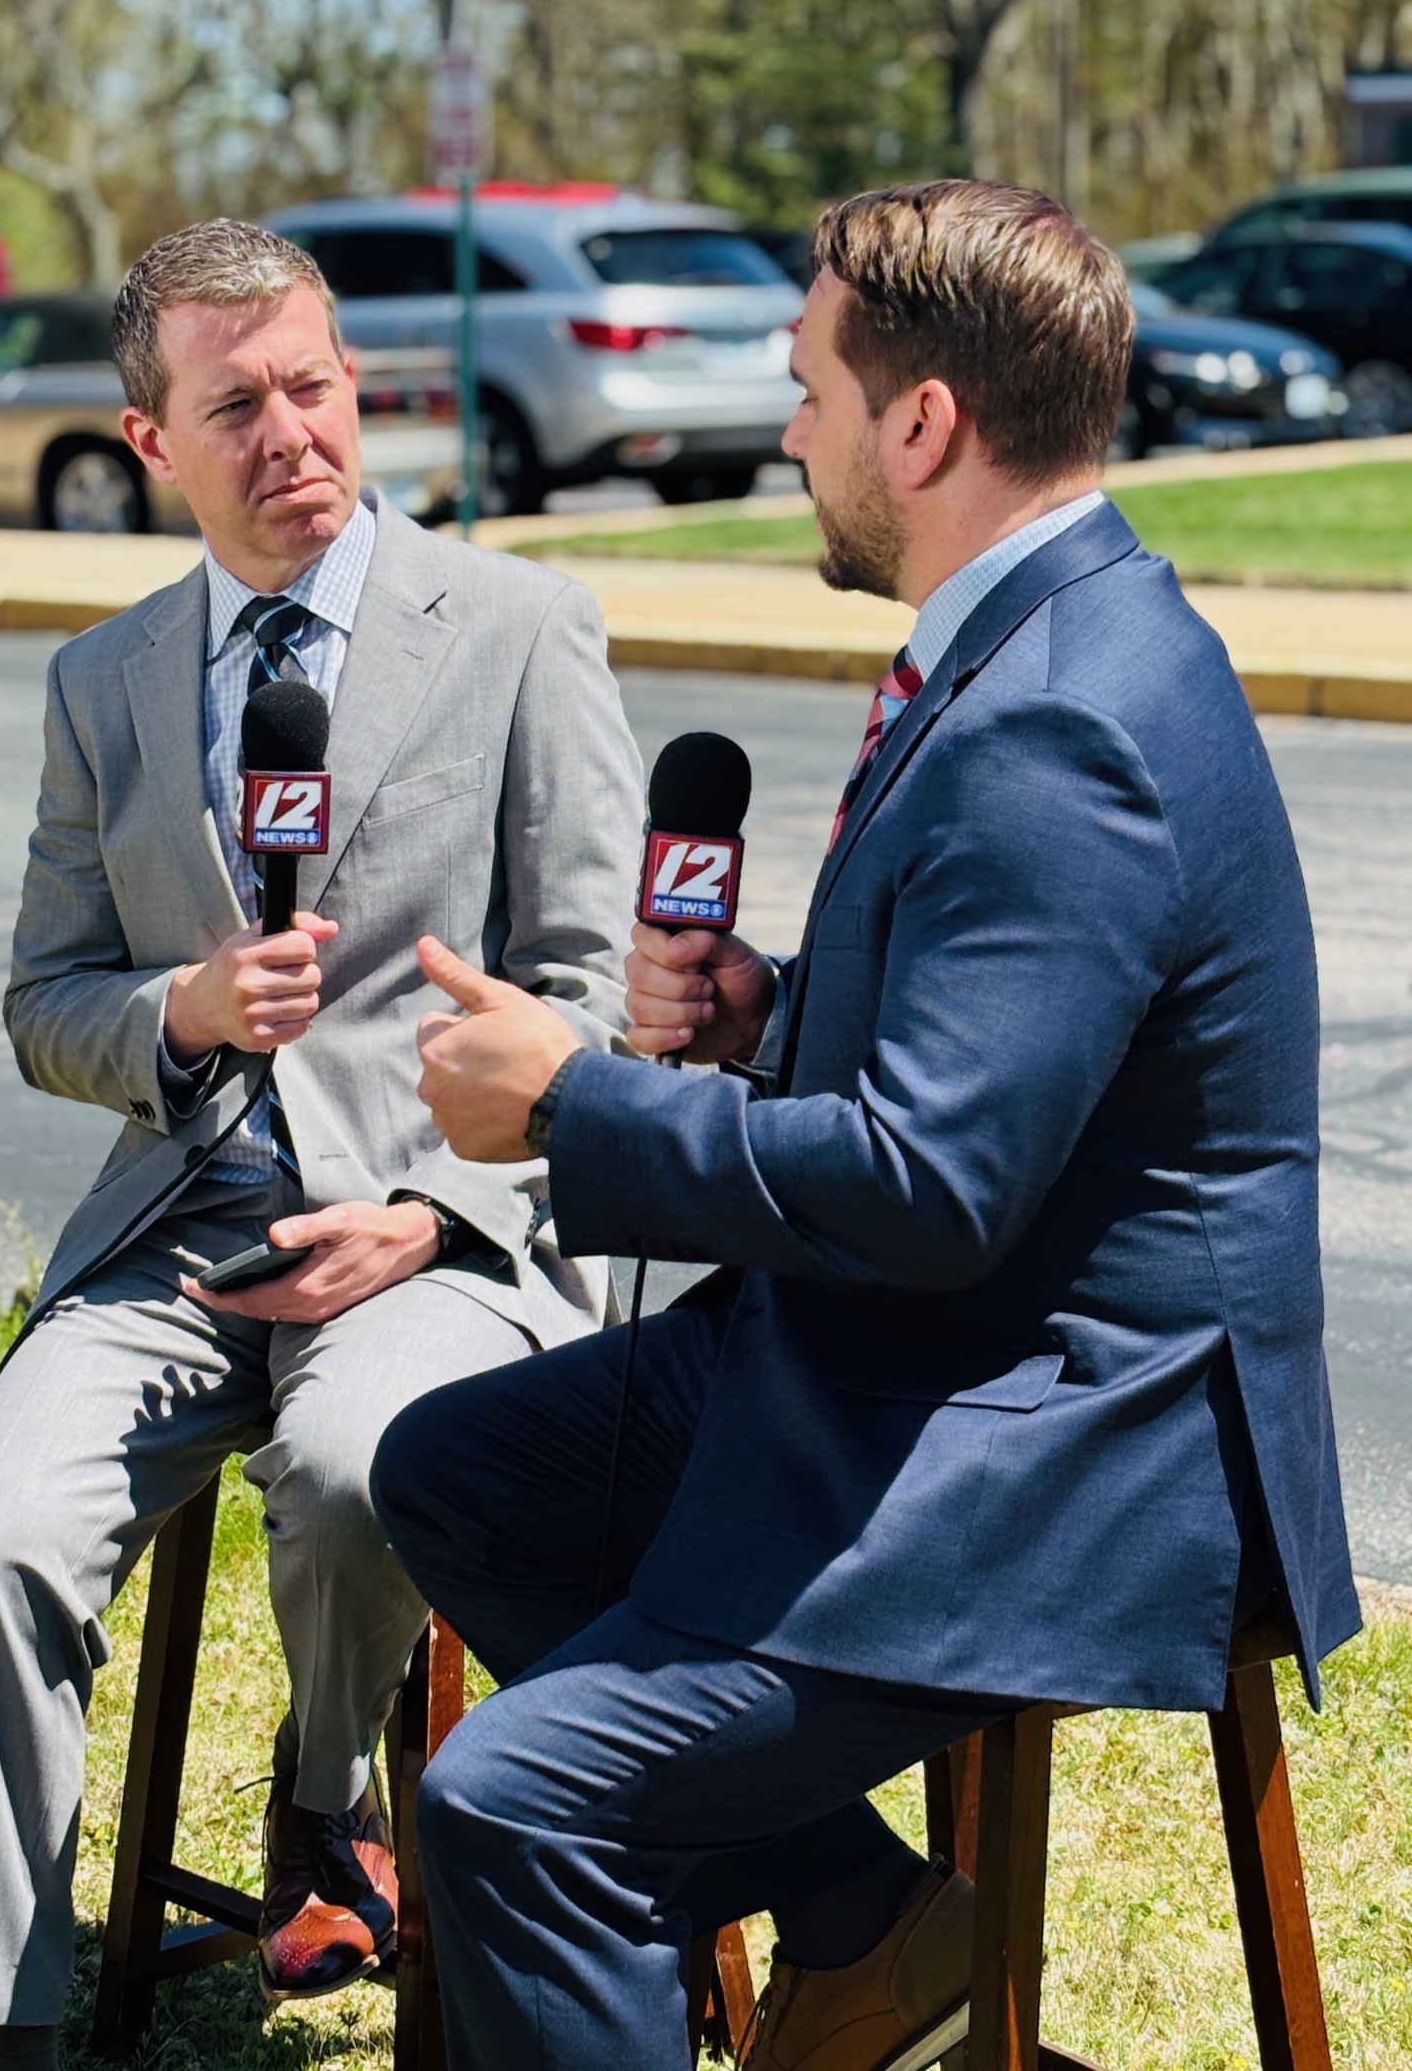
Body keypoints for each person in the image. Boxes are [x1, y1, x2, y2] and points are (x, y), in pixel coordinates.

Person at [369, 179, 1361, 2071]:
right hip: (929, 1353)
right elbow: (1001, 1054)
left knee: (513, 1799)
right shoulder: (1048, 632)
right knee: (458, 1474)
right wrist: (769, 1022)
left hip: (1067, 1436)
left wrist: (578, 1100)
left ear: (927, 423)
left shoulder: (1064, 713)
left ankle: (814, 1935)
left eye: (812, 382)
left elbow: (935, 1186)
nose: (792, 424)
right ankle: (867, 1926)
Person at [0, 218, 644, 2070]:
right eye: (235, 404)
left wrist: (430, 1207)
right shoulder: (108, 680)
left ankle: (323, 1802)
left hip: (436, 1225)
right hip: (183, 1227)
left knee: (349, 1453)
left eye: (313, 386)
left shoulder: (519, 629)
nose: (292, 431)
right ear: (152, 441)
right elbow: (43, 1000)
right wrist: (180, 1010)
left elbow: (600, 997)